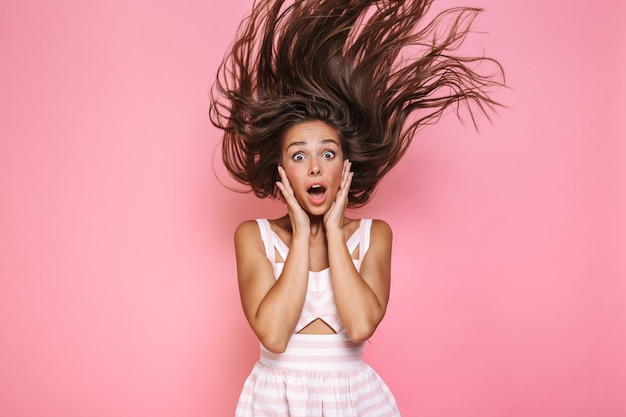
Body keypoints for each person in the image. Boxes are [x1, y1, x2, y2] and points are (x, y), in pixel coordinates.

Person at [209, 0, 504, 415]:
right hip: (275, 400)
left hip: (356, 399)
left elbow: (362, 325)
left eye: (328, 154)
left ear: (345, 166)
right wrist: (299, 229)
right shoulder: (253, 236)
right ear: (282, 170)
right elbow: (274, 337)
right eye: (299, 156)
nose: (314, 166)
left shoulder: (374, 235)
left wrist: (331, 229)